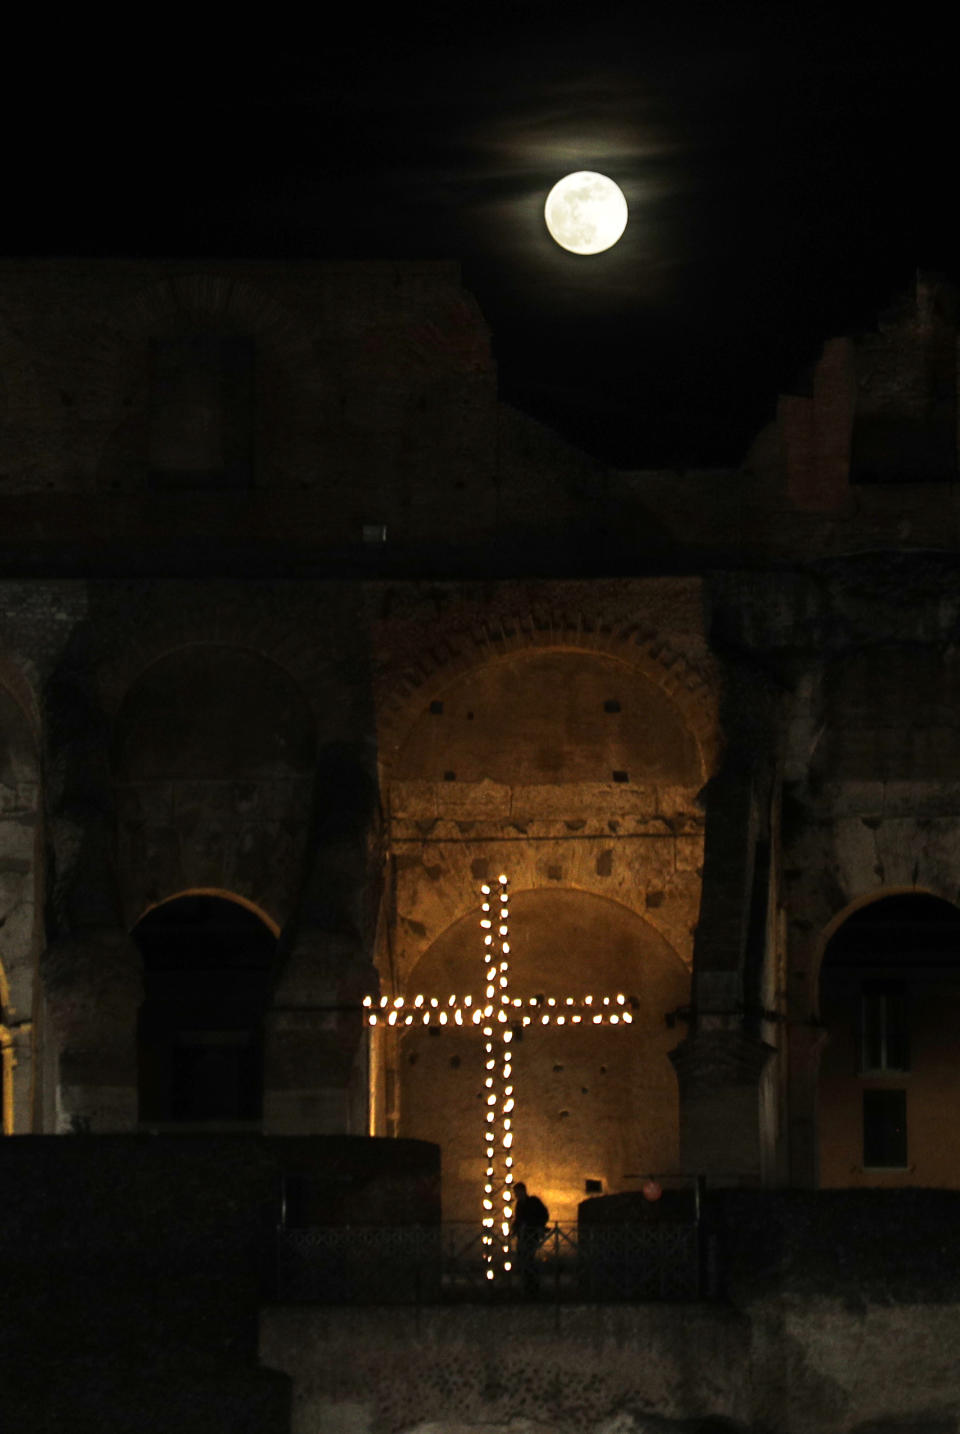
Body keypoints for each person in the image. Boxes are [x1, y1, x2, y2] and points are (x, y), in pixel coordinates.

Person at [511, 1181, 549, 1295]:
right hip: (523, 1236)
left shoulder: (533, 1202)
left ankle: (532, 1285)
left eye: (517, 1192)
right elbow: (518, 1219)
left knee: (528, 1259)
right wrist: (514, 1229)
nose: (516, 1195)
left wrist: (535, 1225)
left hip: (531, 1235)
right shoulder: (519, 1204)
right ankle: (527, 1284)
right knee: (523, 1259)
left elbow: (543, 1215)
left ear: (523, 1191)